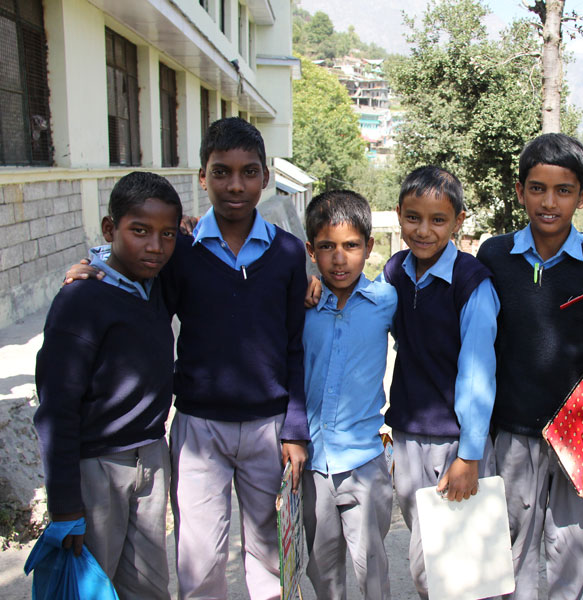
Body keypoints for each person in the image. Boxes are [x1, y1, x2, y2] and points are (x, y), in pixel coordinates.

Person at [64, 117, 310, 600]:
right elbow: (141, 295)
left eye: (248, 172)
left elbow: (294, 345)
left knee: (269, 556)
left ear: (265, 177)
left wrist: (295, 428)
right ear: (202, 177)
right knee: (199, 559)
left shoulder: (285, 254)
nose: (234, 185)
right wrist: (95, 266)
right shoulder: (182, 250)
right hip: (198, 428)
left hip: (268, 428)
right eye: (221, 172)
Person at [476, 133, 583, 600]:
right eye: (537, 188)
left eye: (563, 190)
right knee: (508, 554)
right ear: (519, 191)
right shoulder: (495, 256)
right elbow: (479, 342)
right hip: (513, 434)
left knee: (573, 557)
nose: (549, 202)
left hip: (577, 439)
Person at [34, 171, 182, 599]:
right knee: (92, 583)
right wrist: (64, 504)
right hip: (97, 467)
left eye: (166, 234)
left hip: (151, 457)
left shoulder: (152, 285)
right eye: (139, 231)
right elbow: (57, 407)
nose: (154, 246)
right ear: (109, 229)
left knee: (149, 585)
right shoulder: (81, 299)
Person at [384, 165, 500, 599]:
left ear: (458, 221)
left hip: (454, 441)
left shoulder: (471, 284)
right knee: (433, 554)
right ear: (399, 214)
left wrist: (470, 455)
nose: (424, 230)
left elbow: (477, 373)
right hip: (409, 436)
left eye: (438, 220)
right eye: (414, 217)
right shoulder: (395, 272)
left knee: (444, 563)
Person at [301, 190, 396, 600]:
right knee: (322, 572)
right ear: (311, 251)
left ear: (369, 247)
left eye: (351, 246)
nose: (339, 259)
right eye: (327, 247)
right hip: (311, 464)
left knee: (372, 569)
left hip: (364, 462)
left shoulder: (386, 301)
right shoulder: (301, 303)